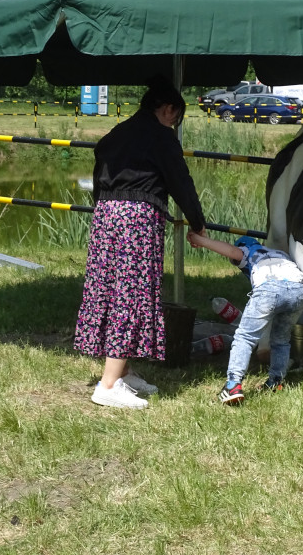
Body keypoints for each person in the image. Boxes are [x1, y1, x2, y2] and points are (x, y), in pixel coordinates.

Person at [75, 77, 207, 410]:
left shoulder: (116, 133)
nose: (173, 125)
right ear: (167, 109)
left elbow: (98, 177)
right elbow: (180, 181)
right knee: (130, 295)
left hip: (106, 214)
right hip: (137, 219)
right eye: (175, 119)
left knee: (108, 291)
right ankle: (107, 385)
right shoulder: (161, 138)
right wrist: (197, 222)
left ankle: (123, 371)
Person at [186, 232, 303, 405]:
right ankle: (276, 382)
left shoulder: (249, 251)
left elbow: (231, 251)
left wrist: (201, 240)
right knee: (281, 340)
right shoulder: (279, 254)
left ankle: (233, 385)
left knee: (244, 337)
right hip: (299, 289)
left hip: (269, 287)